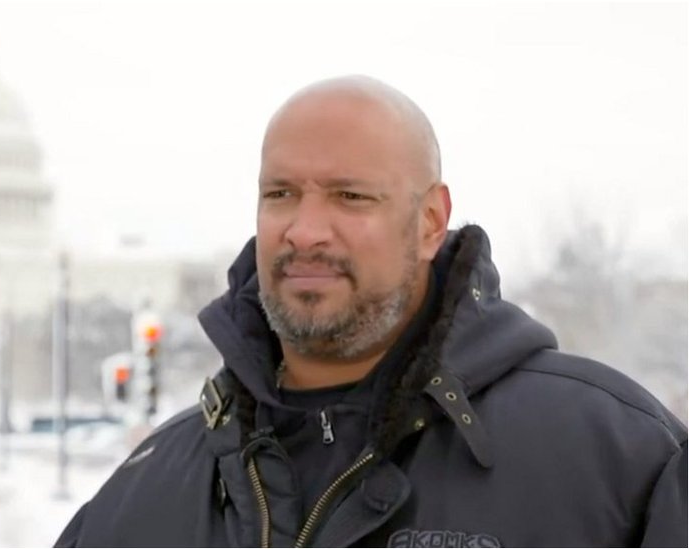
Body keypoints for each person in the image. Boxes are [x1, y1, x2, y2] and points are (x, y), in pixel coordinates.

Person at [55, 75, 687, 547]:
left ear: (430, 222)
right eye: (280, 194)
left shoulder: (616, 458)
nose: (305, 230)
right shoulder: (144, 494)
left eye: (349, 197)